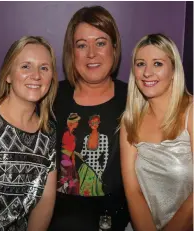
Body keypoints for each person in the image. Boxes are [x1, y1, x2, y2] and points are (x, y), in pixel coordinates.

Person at [49, 5, 130, 231]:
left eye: (101, 43)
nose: (91, 53)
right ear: (71, 52)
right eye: (82, 45)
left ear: (114, 48)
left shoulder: (134, 98)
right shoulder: (51, 96)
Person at [0, 36, 58, 231]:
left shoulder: (48, 132)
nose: (36, 75)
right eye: (26, 66)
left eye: (44, 68)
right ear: (8, 75)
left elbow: (45, 202)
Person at [120, 33, 193, 231]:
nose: (147, 72)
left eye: (158, 64)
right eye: (141, 63)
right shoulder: (130, 122)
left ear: (174, 69)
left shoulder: (191, 112)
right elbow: (133, 192)